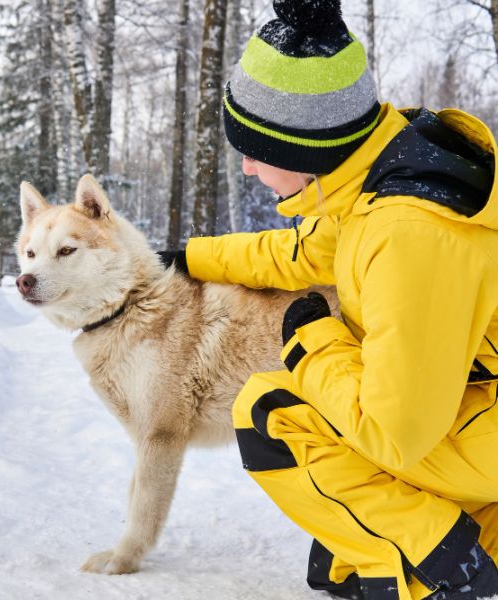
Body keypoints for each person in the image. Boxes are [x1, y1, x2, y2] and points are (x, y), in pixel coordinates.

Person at [175, 1, 498, 598]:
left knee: (271, 407)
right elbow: (299, 254)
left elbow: (394, 431)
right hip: (477, 408)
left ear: (302, 149)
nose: (246, 167)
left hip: (478, 425)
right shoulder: (379, 169)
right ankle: (468, 535)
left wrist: (312, 342)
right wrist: (191, 257)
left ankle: (445, 568)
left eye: (253, 150)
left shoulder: (406, 234)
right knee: (346, 540)